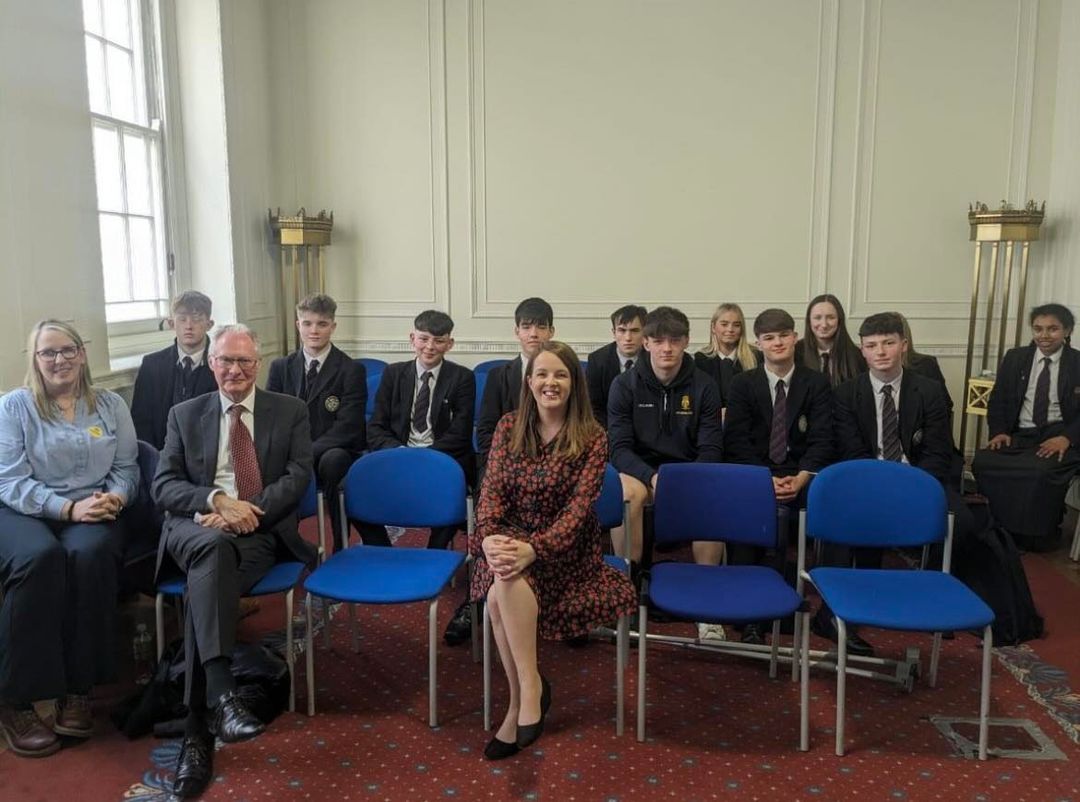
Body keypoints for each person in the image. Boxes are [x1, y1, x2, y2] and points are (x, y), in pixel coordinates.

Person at [152, 324, 314, 798]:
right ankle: (223, 697)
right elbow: (163, 486)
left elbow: (297, 475)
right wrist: (218, 501)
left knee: (213, 571)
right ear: (211, 364)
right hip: (194, 525)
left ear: (258, 364)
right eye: (226, 361)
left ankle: (199, 726)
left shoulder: (290, 411)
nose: (235, 370)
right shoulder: (184, 414)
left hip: (255, 531)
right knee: (211, 551)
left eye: (244, 361)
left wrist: (246, 511)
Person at [469, 341, 636, 760]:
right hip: (509, 541)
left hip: (567, 552)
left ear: (574, 383)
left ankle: (524, 697)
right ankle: (528, 690)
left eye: (560, 374)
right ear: (529, 382)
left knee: (498, 590)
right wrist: (489, 536)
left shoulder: (593, 437)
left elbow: (579, 513)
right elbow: (490, 494)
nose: (550, 382)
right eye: (542, 374)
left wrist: (534, 550)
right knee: (501, 580)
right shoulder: (509, 427)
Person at [0, 320, 138, 757]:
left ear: (82, 353)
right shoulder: (14, 408)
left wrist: (116, 497)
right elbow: (9, 480)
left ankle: (77, 690)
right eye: (48, 353)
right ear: (35, 360)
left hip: (94, 509)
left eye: (67, 350)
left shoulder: (110, 404)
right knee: (39, 558)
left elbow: (128, 467)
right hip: (24, 508)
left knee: (88, 556)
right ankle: (15, 701)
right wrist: (66, 508)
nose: (59, 360)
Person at [821, 312, 968, 656]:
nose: (881, 352)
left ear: (903, 345)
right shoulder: (846, 394)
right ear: (862, 351)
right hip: (867, 480)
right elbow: (852, 451)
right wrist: (882, 489)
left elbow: (937, 452)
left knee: (963, 524)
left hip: (919, 480)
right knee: (850, 520)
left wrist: (913, 490)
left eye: (888, 343)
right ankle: (838, 611)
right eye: (872, 346)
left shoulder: (928, 391)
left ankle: (932, 601)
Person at [607, 306, 724, 641]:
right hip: (639, 472)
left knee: (709, 495)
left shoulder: (705, 385)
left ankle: (707, 609)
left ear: (686, 341)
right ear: (646, 343)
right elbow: (619, 449)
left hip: (688, 472)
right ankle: (626, 593)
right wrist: (652, 477)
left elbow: (711, 448)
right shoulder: (624, 384)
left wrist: (681, 481)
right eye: (658, 340)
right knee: (628, 494)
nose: (667, 348)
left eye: (675, 340)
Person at [724, 308, 833, 644]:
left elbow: (823, 438)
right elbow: (736, 441)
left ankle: (823, 610)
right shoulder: (743, 384)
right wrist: (763, 480)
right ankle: (748, 612)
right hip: (758, 475)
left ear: (795, 338)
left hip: (801, 475)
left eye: (784, 335)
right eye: (769, 338)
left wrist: (802, 477)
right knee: (743, 509)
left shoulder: (816, 383)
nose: (777, 342)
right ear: (758, 343)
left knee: (832, 508)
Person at [365, 309, 475, 547]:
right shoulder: (393, 374)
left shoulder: (462, 377)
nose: (430, 346)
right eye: (424, 338)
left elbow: (461, 433)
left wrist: (427, 456)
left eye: (439, 340)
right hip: (398, 454)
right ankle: (383, 548)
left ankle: (435, 551)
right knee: (358, 490)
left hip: (441, 457)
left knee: (455, 488)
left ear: (450, 344)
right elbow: (376, 427)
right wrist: (399, 452)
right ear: (412, 339)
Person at [972, 303, 1080, 545]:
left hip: (1061, 436)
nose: (1044, 335)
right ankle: (1000, 528)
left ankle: (1037, 535)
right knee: (984, 461)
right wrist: (999, 432)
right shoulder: (1016, 358)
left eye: (1052, 329)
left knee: (1040, 471)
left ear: (1067, 330)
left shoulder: (1077, 363)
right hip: (1020, 434)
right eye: (1038, 329)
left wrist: (1067, 438)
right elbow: (998, 400)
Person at [267, 293, 366, 547]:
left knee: (334, 462)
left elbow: (349, 426)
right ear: (298, 325)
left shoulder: (351, 369)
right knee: (268, 461)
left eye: (322, 324)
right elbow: (271, 417)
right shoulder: (280, 367)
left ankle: (340, 541)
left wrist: (307, 452)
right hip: (290, 449)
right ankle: (281, 542)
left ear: (333, 327)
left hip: (332, 450)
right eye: (307, 323)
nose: (314, 330)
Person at [476, 297, 555, 474]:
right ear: (517, 331)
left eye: (541, 327)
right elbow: (486, 430)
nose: (533, 334)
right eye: (526, 327)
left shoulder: (566, 375)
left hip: (554, 463)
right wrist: (506, 464)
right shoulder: (497, 376)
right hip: (505, 462)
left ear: (551, 331)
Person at [131, 291, 218, 449]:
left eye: (197, 319)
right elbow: (141, 421)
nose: (189, 326)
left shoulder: (222, 364)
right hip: (162, 455)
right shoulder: (152, 365)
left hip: (208, 456)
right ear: (172, 324)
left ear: (209, 324)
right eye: (182, 319)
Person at [586, 305, 647, 428]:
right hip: (609, 429)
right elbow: (593, 407)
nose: (628, 338)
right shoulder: (597, 361)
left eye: (634, 331)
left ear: (645, 332)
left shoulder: (654, 359)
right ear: (614, 333)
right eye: (622, 330)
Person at [693, 302, 762, 405]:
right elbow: (698, 398)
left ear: (742, 329)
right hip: (712, 418)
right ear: (713, 327)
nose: (730, 330)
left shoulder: (756, 357)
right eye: (724, 324)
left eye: (736, 325)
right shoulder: (700, 359)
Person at [797, 294, 866, 387]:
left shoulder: (856, 355)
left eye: (831, 317)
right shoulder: (796, 352)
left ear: (839, 320)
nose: (824, 324)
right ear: (809, 321)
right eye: (817, 318)